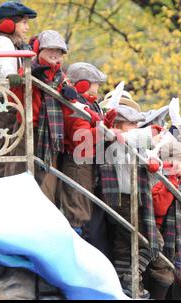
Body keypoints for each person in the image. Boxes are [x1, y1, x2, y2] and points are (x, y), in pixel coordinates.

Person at [99, 98, 162, 299]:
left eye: (137, 124)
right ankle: (131, 278)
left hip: (136, 197)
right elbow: (125, 142)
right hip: (121, 199)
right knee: (152, 242)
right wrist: (148, 134)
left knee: (126, 245)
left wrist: (154, 160)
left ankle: (127, 282)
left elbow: (150, 154)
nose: (136, 127)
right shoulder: (113, 141)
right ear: (118, 126)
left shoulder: (132, 141)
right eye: (131, 124)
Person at [6, 30, 78, 205]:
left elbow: (69, 112)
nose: (54, 53)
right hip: (28, 130)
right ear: (40, 51)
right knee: (20, 174)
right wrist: (20, 82)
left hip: (52, 136)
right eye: (50, 49)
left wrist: (72, 96)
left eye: (59, 50)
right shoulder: (29, 69)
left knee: (45, 181)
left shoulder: (63, 78)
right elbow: (12, 100)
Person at [60, 62, 117, 238]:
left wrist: (105, 124)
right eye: (95, 83)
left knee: (83, 207)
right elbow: (81, 137)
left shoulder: (87, 105)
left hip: (85, 162)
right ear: (83, 84)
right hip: (78, 164)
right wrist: (105, 132)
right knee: (77, 208)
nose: (98, 86)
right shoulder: (76, 106)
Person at [0, 1, 37, 177]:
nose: (27, 27)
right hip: (7, 105)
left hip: (14, 103)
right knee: (7, 149)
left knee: (14, 150)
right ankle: (3, 183)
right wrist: (10, 74)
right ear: (9, 23)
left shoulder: (18, 44)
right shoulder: (3, 41)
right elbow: (1, 64)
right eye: (24, 22)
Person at [148, 140, 181, 299]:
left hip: (173, 237)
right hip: (159, 232)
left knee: (169, 273)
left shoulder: (179, 183)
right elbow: (159, 207)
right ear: (168, 160)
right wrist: (175, 191)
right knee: (162, 272)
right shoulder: (161, 179)